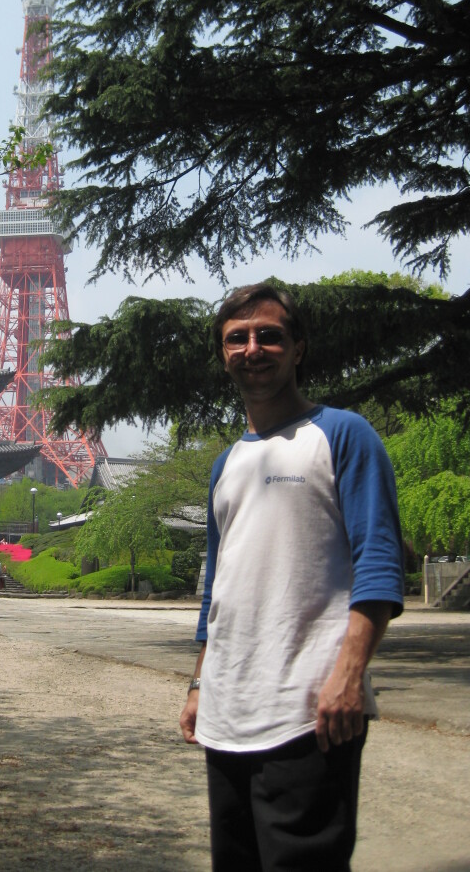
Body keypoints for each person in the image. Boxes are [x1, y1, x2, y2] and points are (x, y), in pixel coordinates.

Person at [179, 283, 404, 872]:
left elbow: (379, 566)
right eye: (237, 338)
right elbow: (216, 587)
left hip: (309, 711)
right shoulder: (226, 464)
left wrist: (349, 676)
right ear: (222, 353)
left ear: (297, 349)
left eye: (269, 335)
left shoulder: (342, 435)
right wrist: (198, 686)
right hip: (227, 714)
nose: (254, 348)